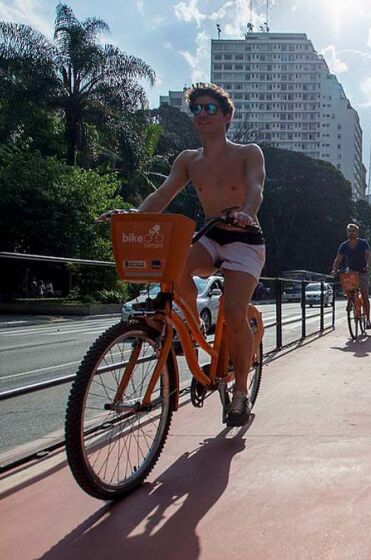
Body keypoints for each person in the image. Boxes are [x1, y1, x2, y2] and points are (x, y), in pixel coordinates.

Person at [101, 83, 265, 427]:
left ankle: (240, 395)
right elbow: (162, 196)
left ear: (227, 116)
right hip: (211, 235)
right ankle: (196, 336)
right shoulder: (189, 160)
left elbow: (255, 189)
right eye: (197, 110)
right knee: (173, 272)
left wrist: (247, 211)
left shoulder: (248, 152)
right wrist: (133, 216)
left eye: (210, 109)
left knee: (235, 313)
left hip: (245, 238)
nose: (202, 115)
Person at [331, 223, 371, 329]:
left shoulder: (363, 243)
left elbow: (368, 255)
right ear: (347, 233)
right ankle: (350, 300)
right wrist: (334, 270)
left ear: (357, 232)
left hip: (363, 270)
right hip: (351, 271)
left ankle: (368, 320)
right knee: (348, 287)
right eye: (349, 231)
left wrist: (368, 265)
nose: (351, 233)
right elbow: (338, 259)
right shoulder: (344, 245)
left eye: (353, 231)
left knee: (364, 295)